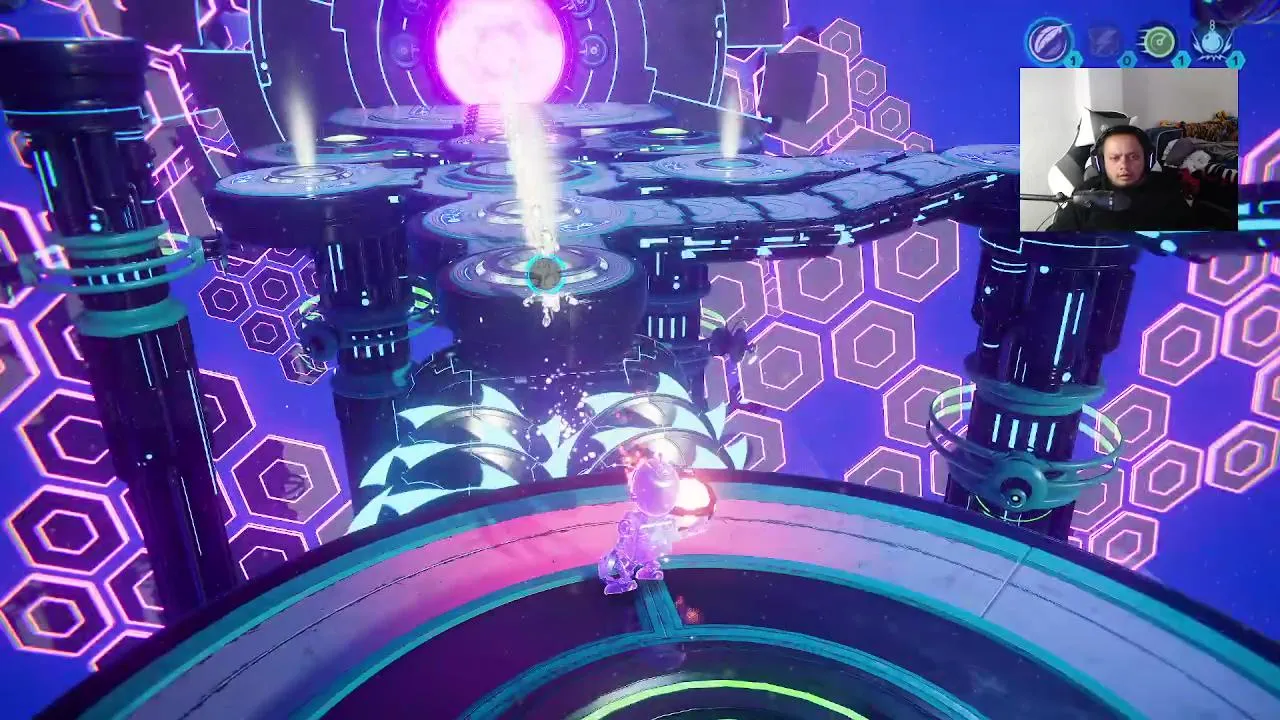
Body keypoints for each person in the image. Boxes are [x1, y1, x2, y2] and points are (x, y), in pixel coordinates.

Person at [1048, 125, 1198, 231]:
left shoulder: (1166, 188)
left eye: (1133, 157)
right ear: (1101, 163)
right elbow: (1055, 242)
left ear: (1148, 160)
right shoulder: (1086, 192)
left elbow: (1192, 240)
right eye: (1114, 158)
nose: (1124, 165)